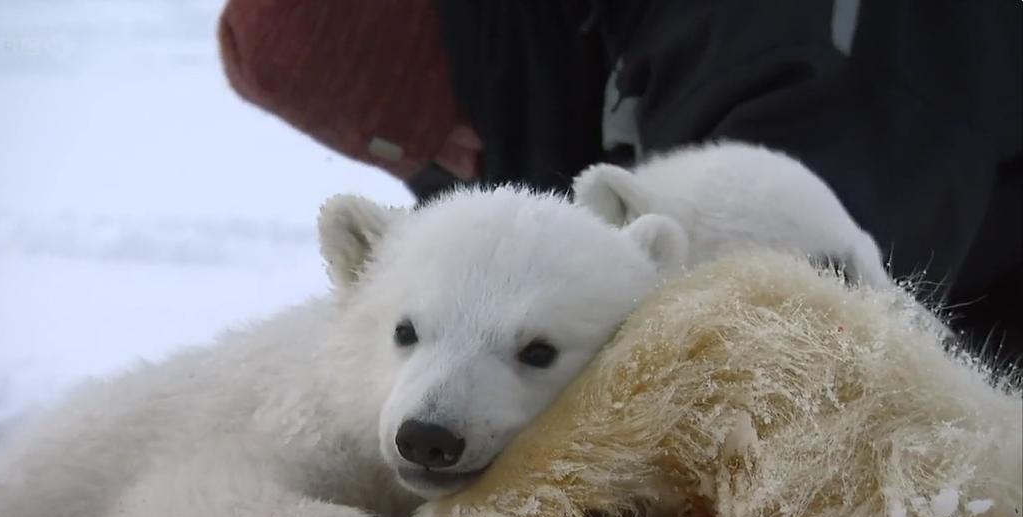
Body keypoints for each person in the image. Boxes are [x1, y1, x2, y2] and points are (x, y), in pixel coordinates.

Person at [218, 0, 1021, 359]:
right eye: (410, 161)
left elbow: (797, 322)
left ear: (456, 29)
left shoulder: (771, 37)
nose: (455, 166)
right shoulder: (528, 84)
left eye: (434, 126)